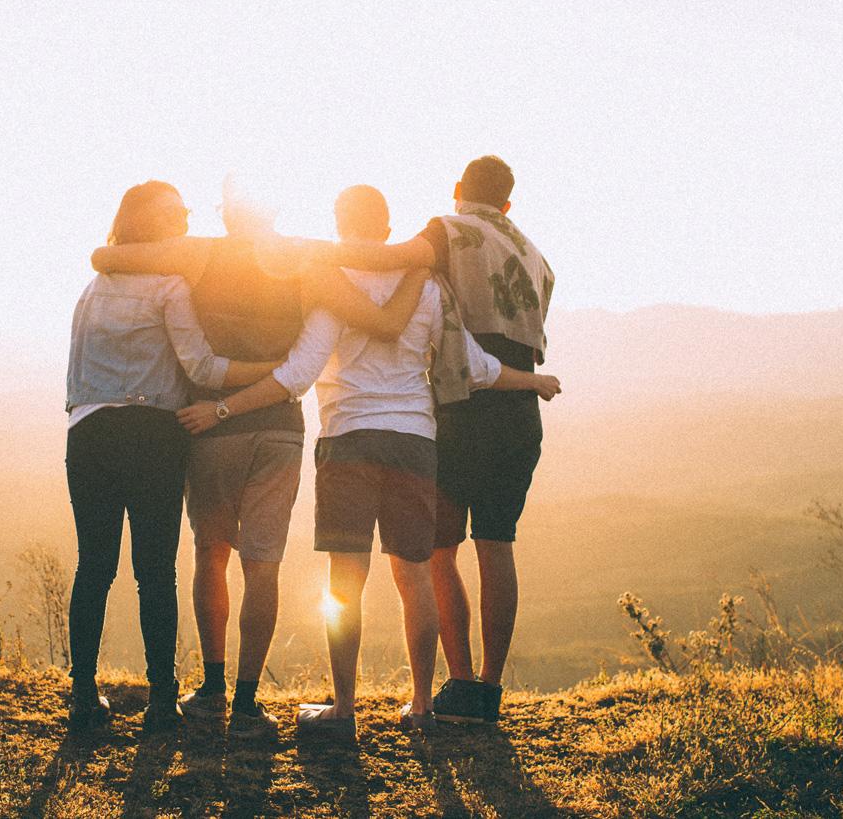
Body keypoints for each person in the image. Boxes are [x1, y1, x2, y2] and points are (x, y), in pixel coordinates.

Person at [178, 185, 560, 738]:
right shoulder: (427, 286)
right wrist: (534, 381)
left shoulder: (332, 283)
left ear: (339, 224)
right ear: (387, 229)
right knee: (415, 577)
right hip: (415, 443)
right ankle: (423, 706)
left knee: (345, 582)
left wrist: (222, 408)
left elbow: (299, 373)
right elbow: (475, 366)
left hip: (349, 439)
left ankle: (343, 710)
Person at [90, 179, 426, 739]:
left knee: (211, 553)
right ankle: (248, 703)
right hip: (279, 428)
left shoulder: (200, 253)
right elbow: (375, 317)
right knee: (263, 564)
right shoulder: (305, 260)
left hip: (210, 427)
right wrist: (419, 262)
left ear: (226, 214)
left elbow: (109, 256)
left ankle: (213, 687)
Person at [310, 157, 556, 724]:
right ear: (509, 203)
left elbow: (392, 260)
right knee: (498, 545)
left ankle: (458, 684)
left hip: (462, 407)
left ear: (457, 190)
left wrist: (307, 253)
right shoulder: (538, 257)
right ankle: (487, 692)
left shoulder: (448, 231)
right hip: (518, 410)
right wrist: (534, 381)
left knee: (436, 553)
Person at [65, 180, 280, 734]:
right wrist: (272, 372)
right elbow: (203, 369)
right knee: (154, 572)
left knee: (94, 567)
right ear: (151, 225)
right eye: (176, 213)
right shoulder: (169, 285)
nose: (185, 218)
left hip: (88, 432)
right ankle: (162, 701)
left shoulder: (93, 288)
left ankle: (84, 697)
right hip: (153, 435)